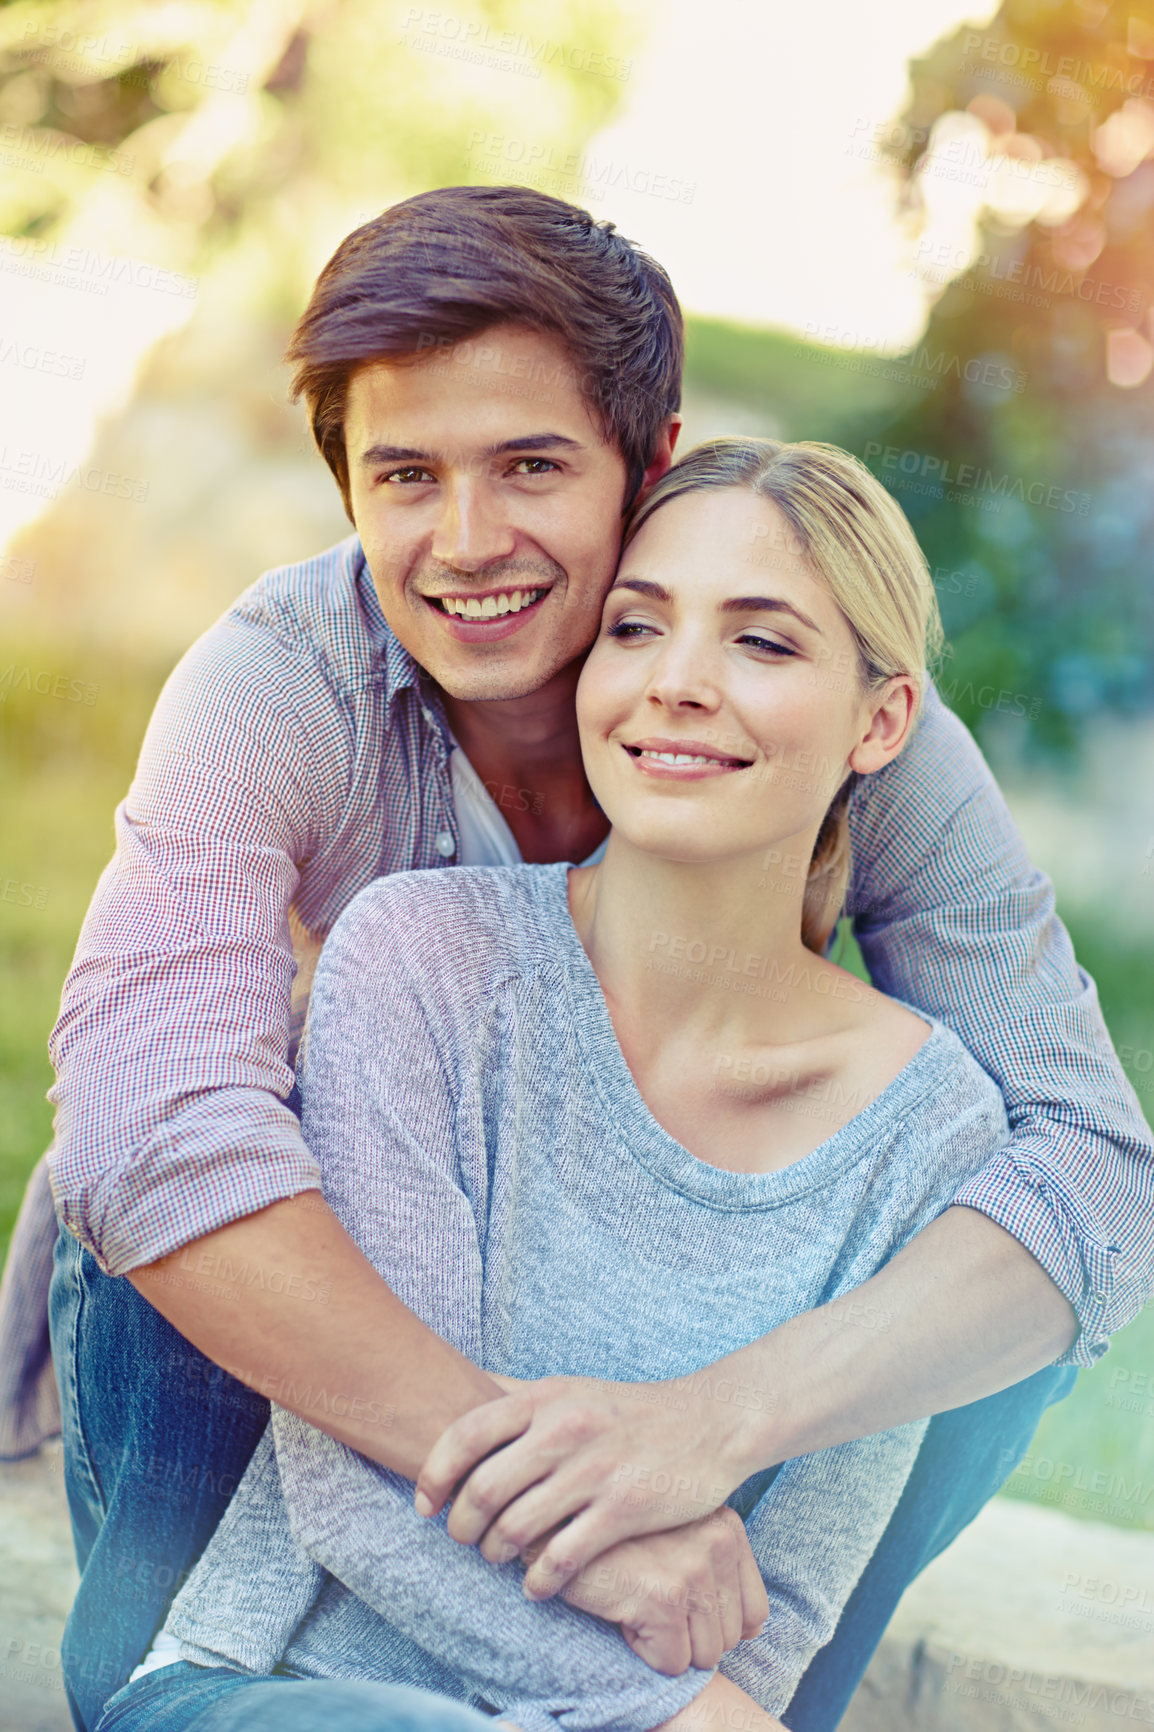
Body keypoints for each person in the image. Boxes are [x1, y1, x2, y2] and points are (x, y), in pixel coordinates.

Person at [0, 185, 1147, 1730]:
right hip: (294, 1283)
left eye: (531, 466)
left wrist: (713, 1427)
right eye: (405, 476)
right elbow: (149, 1130)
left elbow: (1089, 1158)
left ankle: (753, 1698)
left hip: (638, 1351)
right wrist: (575, 1505)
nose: (466, 544)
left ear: (647, 459)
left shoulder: (841, 714)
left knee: (1003, 1274)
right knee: (171, 1203)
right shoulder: (283, 690)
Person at [95, 437, 1045, 1732]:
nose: (677, 684)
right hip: (283, 1686)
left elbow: (777, 1603)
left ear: (880, 723)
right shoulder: (424, 959)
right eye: (636, 628)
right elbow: (358, 1497)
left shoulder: (927, 1131)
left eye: (761, 645)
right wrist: (674, 1714)